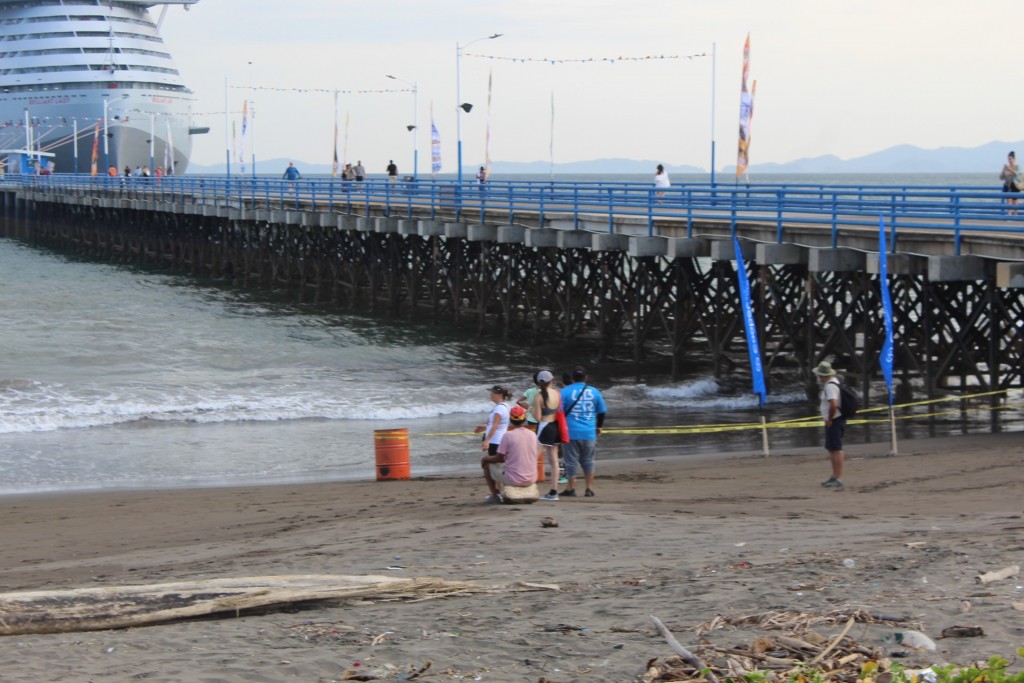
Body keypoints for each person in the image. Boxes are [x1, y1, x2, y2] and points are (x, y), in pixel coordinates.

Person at [559, 366, 606, 498]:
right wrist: (599, 426)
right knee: (588, 461)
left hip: (571, 432)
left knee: (571, 461)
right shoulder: (594, 391)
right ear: (586, 377)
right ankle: (589, 488)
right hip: (589, 432)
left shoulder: (565, 392)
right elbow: (602, 411)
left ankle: (571, 488)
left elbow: (559, 412)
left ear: (572, 378)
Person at [480, 405, 538, 504]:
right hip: (532, 477)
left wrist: (486, 459)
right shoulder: (532, 435)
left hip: (514, 479)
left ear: (510, 420)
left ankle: (494, 495)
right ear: (524, 419)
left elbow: (499, 458)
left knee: (487, 465)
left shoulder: (508, 435)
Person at [531, 370, 563, 501]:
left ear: (538, 383)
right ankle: (554, 492)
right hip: (555, 426)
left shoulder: (538, 396)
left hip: (544, 426)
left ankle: (526, 485)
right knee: (554, 461)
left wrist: (530, 409)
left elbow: (538, 417)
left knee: (532, 457)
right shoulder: (557, 393)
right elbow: (558, 411)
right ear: (551, 381)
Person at [813, 360, 845, 488]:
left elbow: (834, 405)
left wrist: (829, 419)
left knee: (836, 449)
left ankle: (839, 477)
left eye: (819, 375)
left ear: (823, 375)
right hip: (836, 419)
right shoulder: (834, 382)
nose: (818, 378)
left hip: (835, 420)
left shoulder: (830, 386)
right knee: (832, 448)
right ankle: (835, 476)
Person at [474, 385, 511, 457]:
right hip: (499, 441)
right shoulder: (504, 406)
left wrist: (487, 441)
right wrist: (485, 427)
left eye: (493, 393)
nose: (491, 394)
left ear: (500, 395)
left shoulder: (499, 408)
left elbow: (495, 426)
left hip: (495, 441)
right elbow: (500, 423)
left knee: (493, 462)